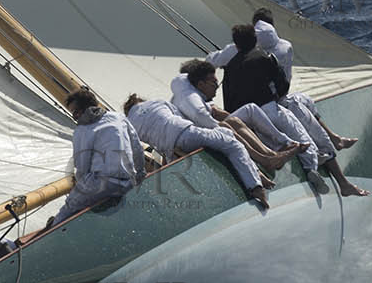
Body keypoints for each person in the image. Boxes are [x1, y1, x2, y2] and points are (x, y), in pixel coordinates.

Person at [219, 24, 367, 197]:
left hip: (248, 122)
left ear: (236, 45)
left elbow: (228, 105)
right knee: (305, 139)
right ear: (255, 40)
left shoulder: (229, 69)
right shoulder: (266, 57)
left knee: (282, 141)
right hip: (271, 110)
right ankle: (320, 171)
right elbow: (283, 86)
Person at [123, 94, 270, 210]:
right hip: (186, 133)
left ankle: (253, 174)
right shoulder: (156, 102)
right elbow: (182, 116)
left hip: (170, 150)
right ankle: (256, 185)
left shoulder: (130, 124)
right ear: (140, 101)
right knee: (231, 142)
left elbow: (138, 149)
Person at [172, 59, 303, 173]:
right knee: (230, 125)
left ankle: (282, 145)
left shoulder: (194, 93)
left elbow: (217, 112)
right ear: (199, 83)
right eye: (214, 83)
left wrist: (242, 125)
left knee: (248, 110)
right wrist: (236, 126)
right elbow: (209, 120)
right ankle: (268, 157)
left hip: (204, 129)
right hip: (198, 138)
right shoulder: (191, 100)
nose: (217, 86)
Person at [45, 88, 145, 228]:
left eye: (75, 112)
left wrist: (81, 187)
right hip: (127, 181)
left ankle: (54, 229)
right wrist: (140, 176)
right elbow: (137, 149)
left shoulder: (81, 131)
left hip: (100, 183)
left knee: (70, 206)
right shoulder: (118, 117)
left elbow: (82, 166)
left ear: (85, 109)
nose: (75, 117)